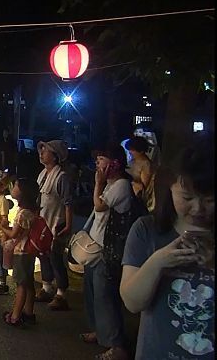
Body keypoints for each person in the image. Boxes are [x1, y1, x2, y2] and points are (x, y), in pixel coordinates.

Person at [121, 143, 214, 360]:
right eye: (187, 197)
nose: (198, 209)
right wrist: (158, 261)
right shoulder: (147, 230)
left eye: (210, 199)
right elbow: (132, 303)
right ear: (170, 186)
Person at [81, 146, 132, 360]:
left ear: (115, 163)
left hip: (107, 249)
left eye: (101, 159)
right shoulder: (111, 184)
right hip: (94, 247)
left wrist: (98, 184)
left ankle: (116, 345)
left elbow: (99, 206)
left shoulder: (121, 185)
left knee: (105, 297)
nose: (98, 164)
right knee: (92, 291)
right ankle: (99, 332)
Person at [35, 139, 73, 310]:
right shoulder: (43, 174)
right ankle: (47, 287)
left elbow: (68, 203)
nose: (42, 153)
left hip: (56, 223)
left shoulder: (61, 177)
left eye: (46, 151)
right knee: (43, 254)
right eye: (42, 150)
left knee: (56, 258)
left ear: (55, 156)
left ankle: (61, 294)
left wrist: (68, 225)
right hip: (44, 223)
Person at [0, 177, 41, 326]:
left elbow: (13, 234)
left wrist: (3, 226)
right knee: (28, 283)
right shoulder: (29, 211)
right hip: (28, 252)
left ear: (23, 193)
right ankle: (29, 313)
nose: (13, 188)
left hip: (22, 252)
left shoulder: (23, 213)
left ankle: (15, 316)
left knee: (21, 285)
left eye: (16, 186)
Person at [126, 136, 155, 212]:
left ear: (141, 151)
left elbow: (144, 187)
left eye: (133, 150)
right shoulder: (132, 161)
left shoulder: (146, 165)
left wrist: (130, 181)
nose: (130, 151)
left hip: (135, 198)